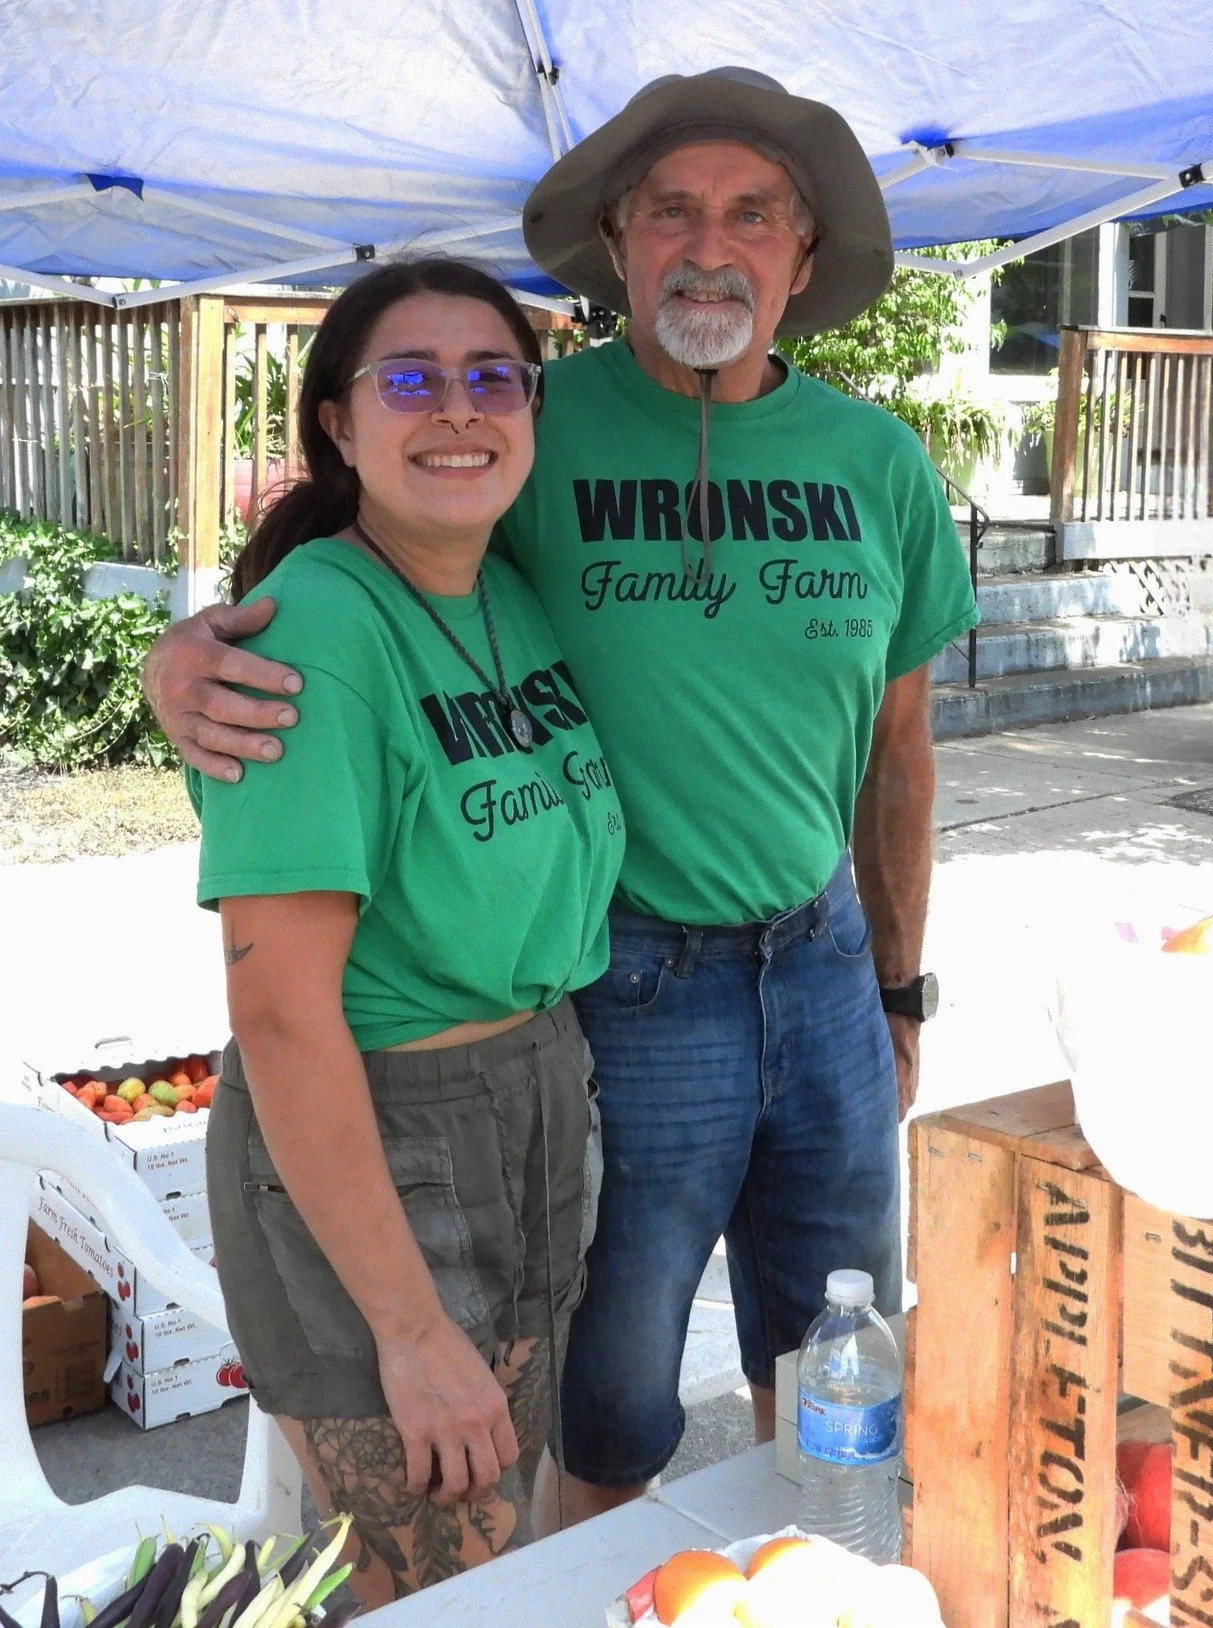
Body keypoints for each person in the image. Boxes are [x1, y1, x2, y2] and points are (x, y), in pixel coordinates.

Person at [144, 68, 979, 1529]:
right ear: (617, 242)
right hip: (632, 983)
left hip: (829, 962)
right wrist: (182, 657)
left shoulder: (881, 466)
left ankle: (818, 1577)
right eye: (673, 211)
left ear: (802, 256)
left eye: (752, 215)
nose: (710, 246)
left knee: (842, 1345)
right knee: (611, 1399)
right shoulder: (529, 425)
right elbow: (369, 560)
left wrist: (901, 990)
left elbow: (899, 756)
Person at [192, 259, 621, 1603]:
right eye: (412, 380)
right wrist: (408, 1327)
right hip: (383, 1133)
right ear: (338, 421)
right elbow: (280, 1012)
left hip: (537, 1094)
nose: (459, 409)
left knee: (499, 1548)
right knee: (435, 1585)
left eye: (494, 377)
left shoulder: (507, 586)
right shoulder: (317, 630)